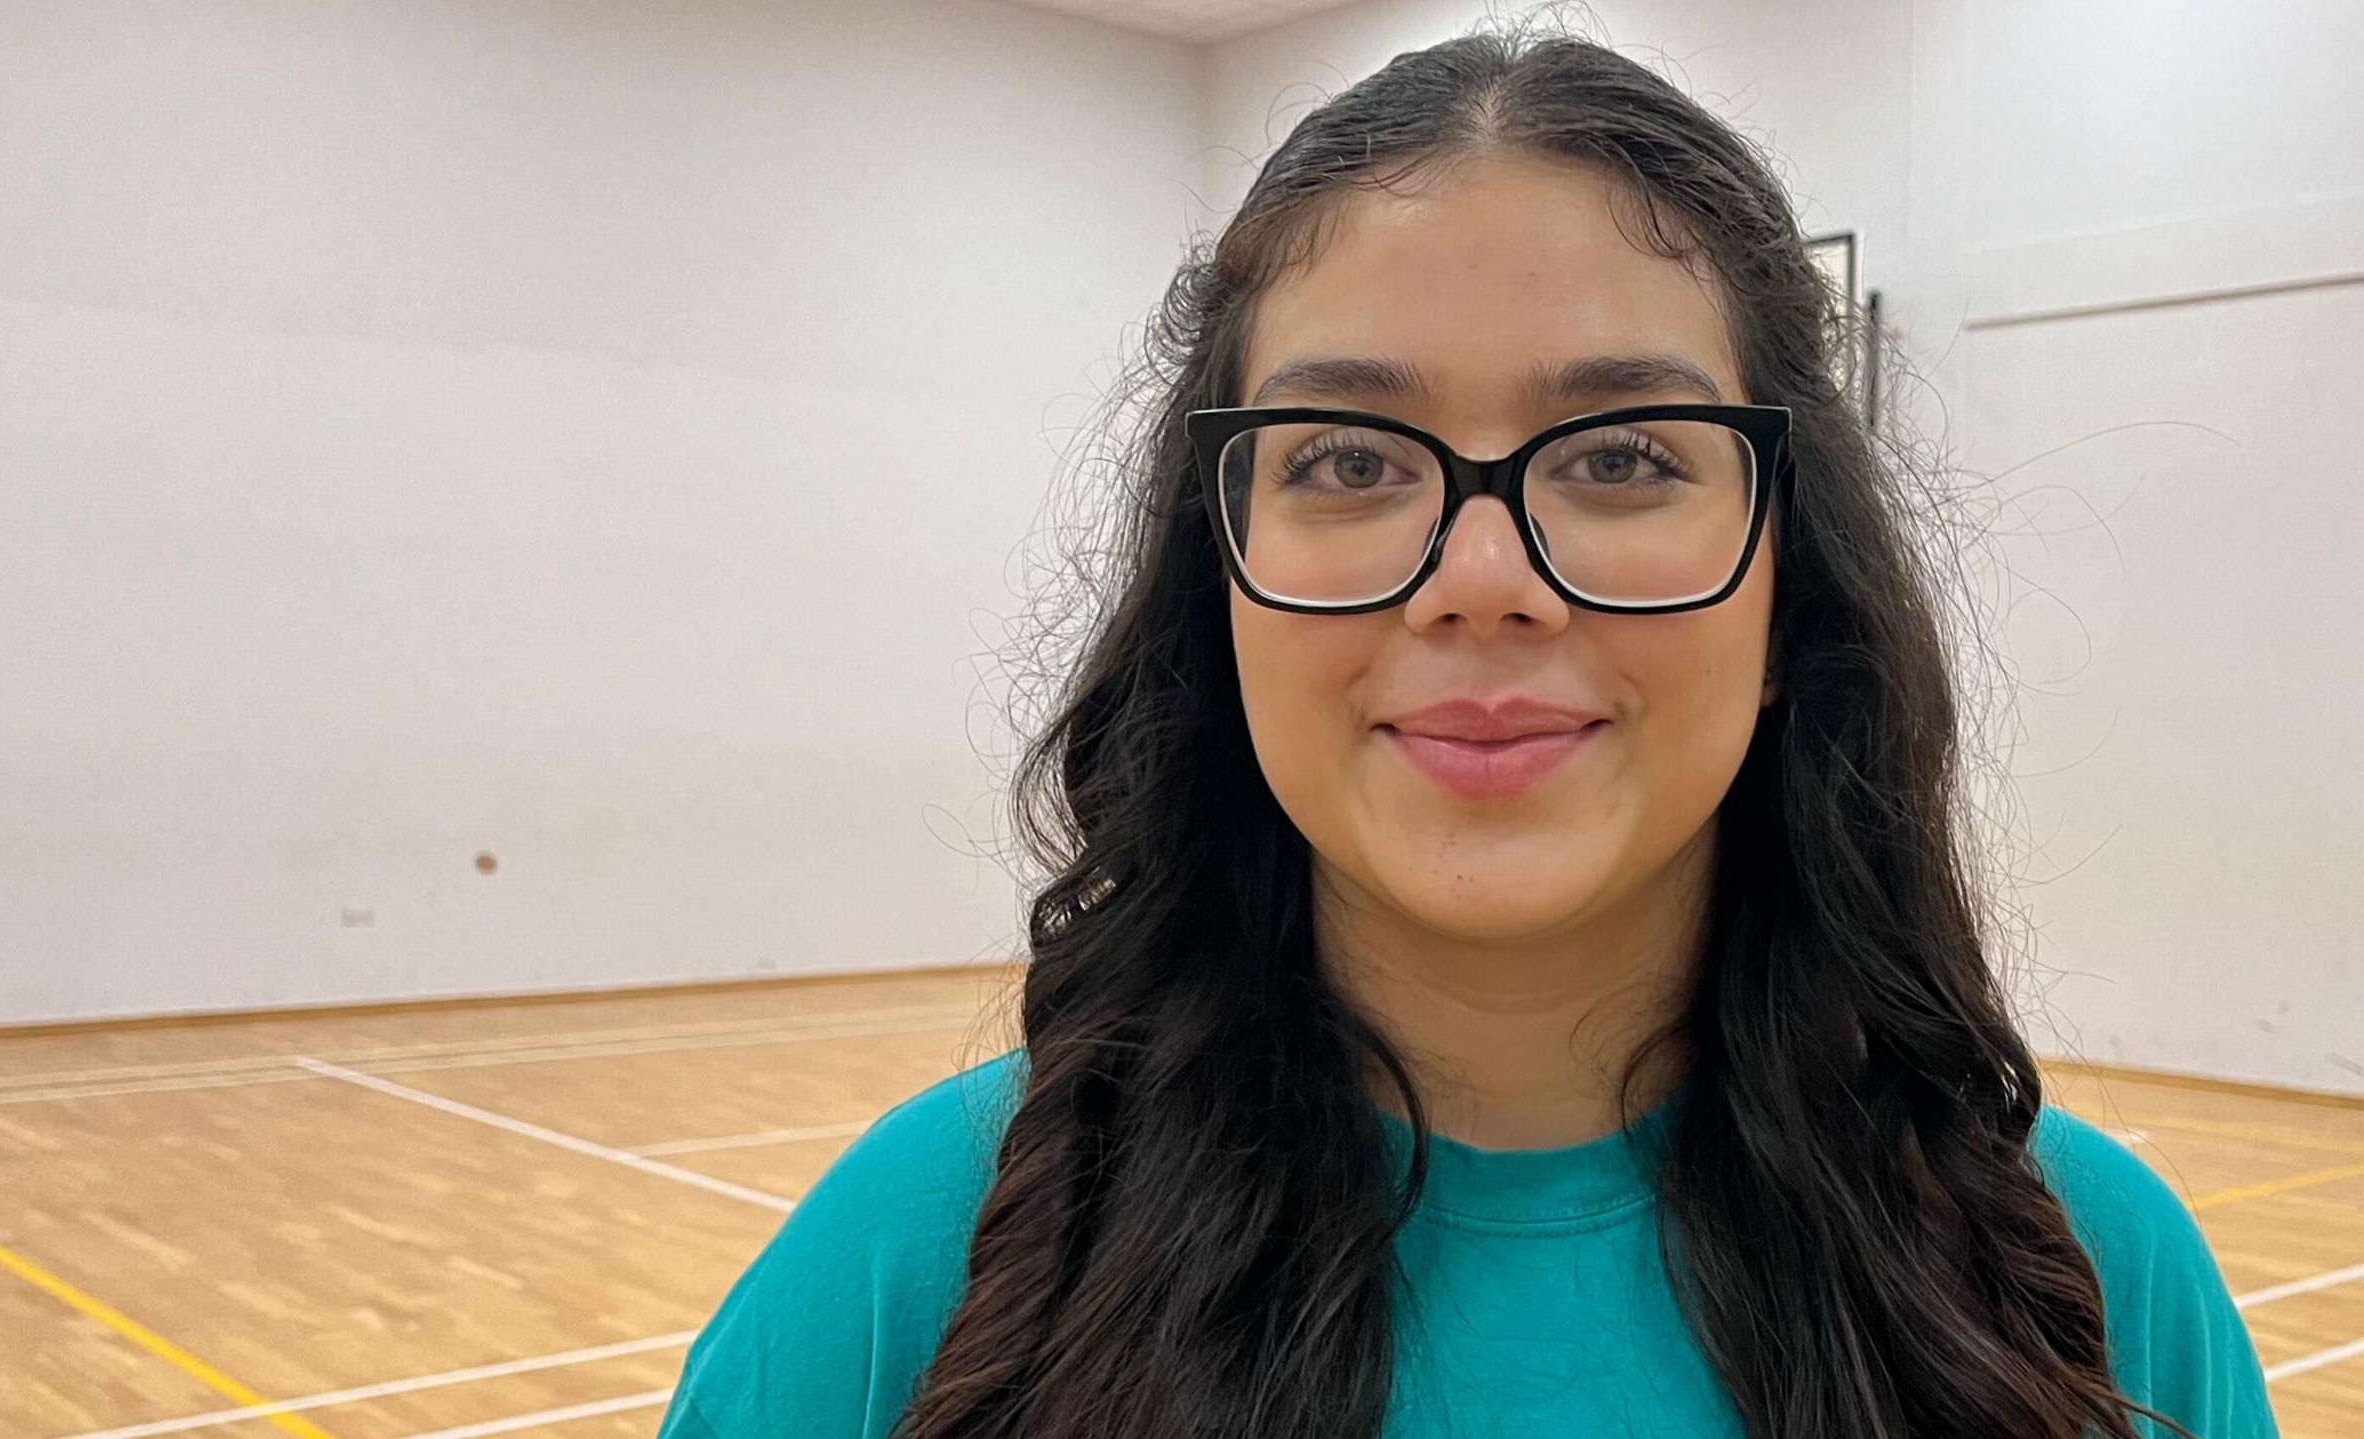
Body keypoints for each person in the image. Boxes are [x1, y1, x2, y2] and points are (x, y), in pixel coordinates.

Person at [657, 20, 2278, 1439]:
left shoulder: (2088, 1288)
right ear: (1215, 585)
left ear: (1794, 591)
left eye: (1627, 456)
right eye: (1349, 462)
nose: (1484, 582)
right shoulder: (918, 1266)